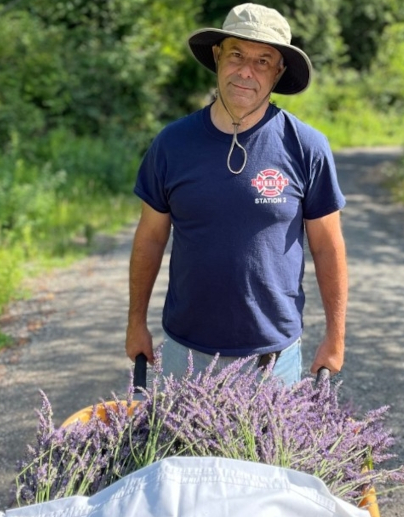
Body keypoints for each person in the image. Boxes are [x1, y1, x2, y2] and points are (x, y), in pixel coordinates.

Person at [125, 3, 348, 386]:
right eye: (237, 55)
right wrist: (135, 323)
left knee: (270, 450)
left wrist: (335, 336)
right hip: (184, 355)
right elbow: (149, 238)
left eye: (263, 60)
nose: (247, 70)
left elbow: (328, 247)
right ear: (217, 56)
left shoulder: (306, 146)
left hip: (273, 360)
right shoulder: (172, 144)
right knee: (178, 448)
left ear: (278, 71)